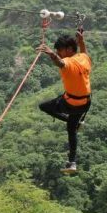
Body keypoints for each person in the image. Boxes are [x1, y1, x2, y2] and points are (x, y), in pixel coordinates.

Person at [37, 29, 92, 174]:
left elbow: (60, 63)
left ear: (68, 49)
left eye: (60, 50)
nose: (59, 53)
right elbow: (84, 51)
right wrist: (81, 41)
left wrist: (51, 54)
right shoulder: (84, 58)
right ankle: (72, 162)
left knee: (44, 106)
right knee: (71, 130)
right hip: (85, 104)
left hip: (70, 103)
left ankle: (72, 122)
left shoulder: (67, 62)